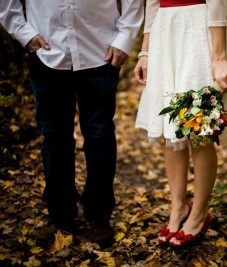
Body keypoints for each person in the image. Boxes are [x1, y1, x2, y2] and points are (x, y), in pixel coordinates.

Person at [0, 1, 144, 247]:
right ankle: (61, 216)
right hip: (46, 52)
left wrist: (124, 38)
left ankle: (99, 216)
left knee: (99, 134)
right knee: (54, 136)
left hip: (101, 50)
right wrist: (24, 33)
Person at [134, 0, 227, 246]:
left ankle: (199, 214)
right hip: (164, 33)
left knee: (198, 127)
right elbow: (151, 3)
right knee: (171, 130)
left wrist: (218, 57)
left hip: (197, 31)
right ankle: (178, 208)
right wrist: (145, 52)